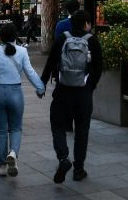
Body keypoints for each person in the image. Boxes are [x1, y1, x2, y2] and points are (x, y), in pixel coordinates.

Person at [40, 10, 102, 183]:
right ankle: (79, 169)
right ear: (86, 24)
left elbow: (51, 62)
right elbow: (98, 68)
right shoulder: (92, 41)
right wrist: (90, 87)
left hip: (62, 92)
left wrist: (42, 84)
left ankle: (63, 158)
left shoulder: (62, 39)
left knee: (58, 125)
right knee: (82, 130)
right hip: (83, 94)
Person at [0, 23, 45, 177]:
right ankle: (13, 153)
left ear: (1, 37)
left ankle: (2, 166)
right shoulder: (22, 52)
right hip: (15, 93)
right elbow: (30, 72)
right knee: (16, 128)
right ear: (15, 36)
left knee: (0, 131)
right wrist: (40, 88)